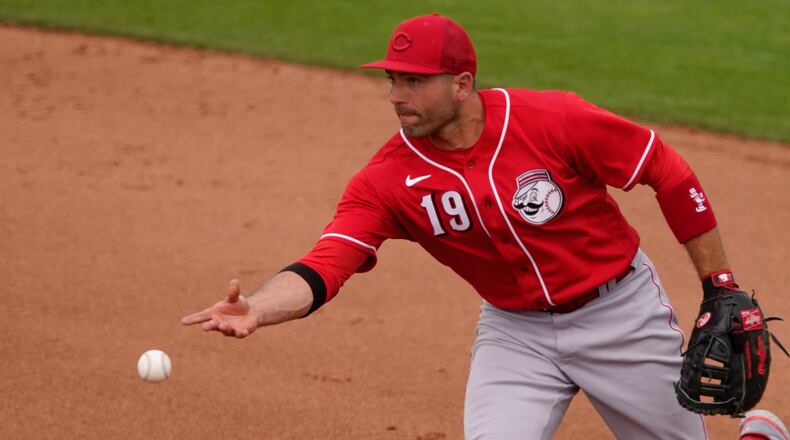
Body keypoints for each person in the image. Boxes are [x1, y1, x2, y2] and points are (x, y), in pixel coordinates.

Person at [182, 13, 773, 439]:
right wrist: (259, 307)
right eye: (392, 79)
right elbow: (326, 263)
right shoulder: (387, 179)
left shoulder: (553, 119)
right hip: (516, 335)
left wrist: (719, 283)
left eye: (414, 81)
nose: (396, 95)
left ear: (461, 84)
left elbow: (667, 171)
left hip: (619, 315)